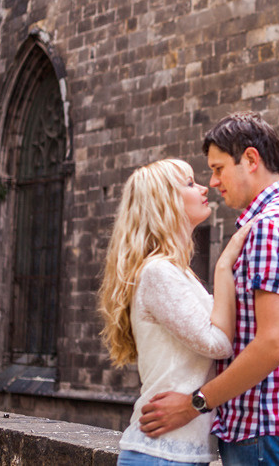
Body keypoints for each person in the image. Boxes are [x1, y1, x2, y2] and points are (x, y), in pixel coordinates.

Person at [138, 112, 279, 466]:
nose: (213, 181)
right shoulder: (275, 221)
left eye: (219, 168)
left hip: (264, 434)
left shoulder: (271, 227)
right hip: (263, 435)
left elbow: (274, 343)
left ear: (250, 159)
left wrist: (194, 404)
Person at [99, 158, 254, 466]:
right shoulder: (158, 272)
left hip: (174, 453)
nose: (204, 188)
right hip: (159, 454)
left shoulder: (176, 273)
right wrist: (224, 266)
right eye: (190, 183)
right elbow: (219, 343)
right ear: (164, 203)